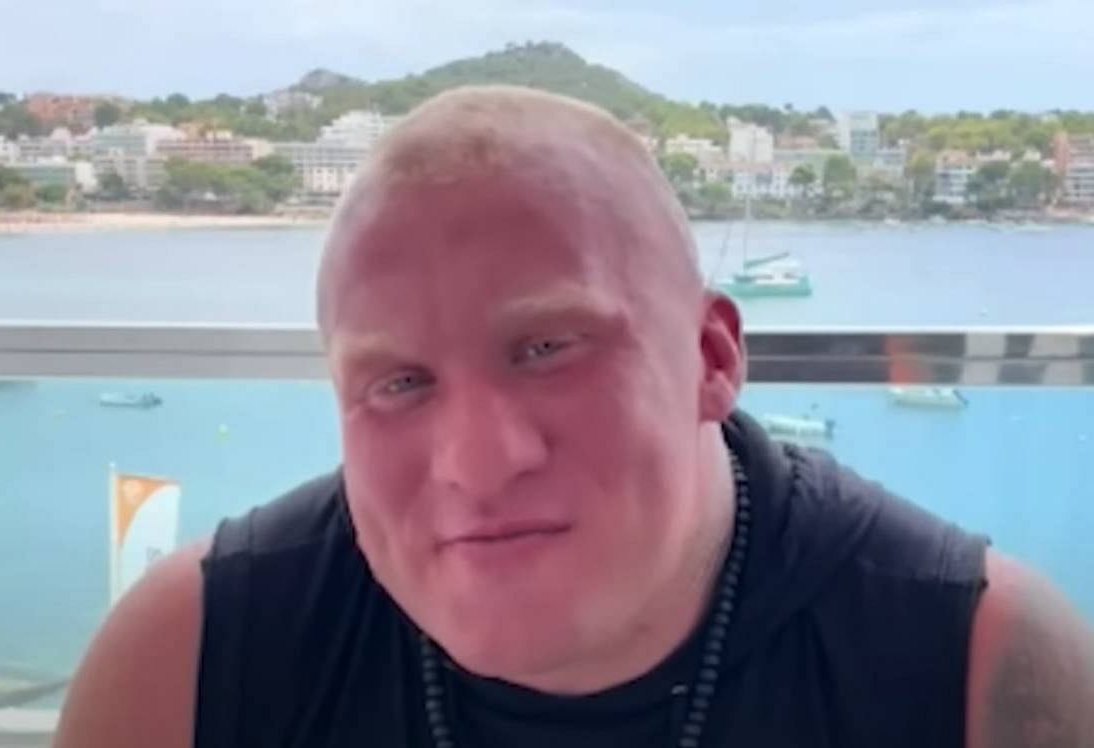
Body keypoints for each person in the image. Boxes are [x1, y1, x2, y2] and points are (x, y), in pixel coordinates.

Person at [54, 86, 1094, 748]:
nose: (477, 462)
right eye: (400, 382)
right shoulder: (191, 661)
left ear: (711, 357)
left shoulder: (970, 665)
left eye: (548, 349)